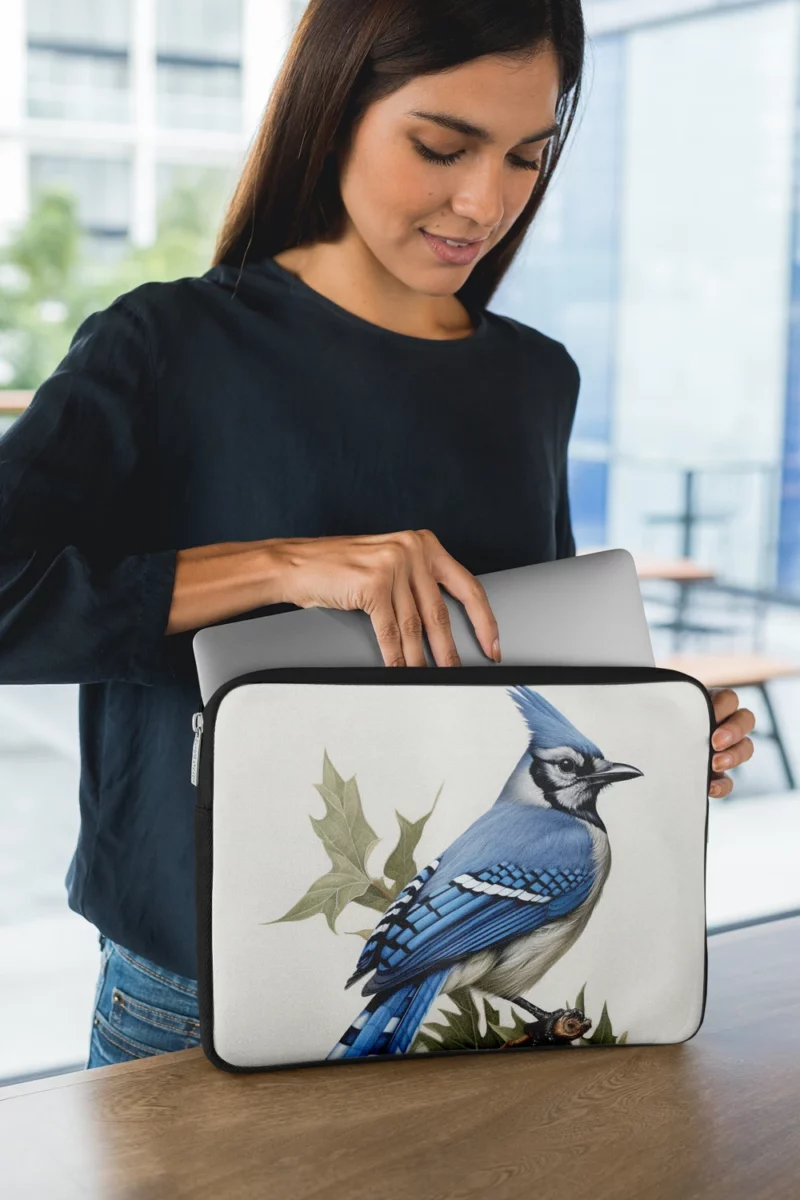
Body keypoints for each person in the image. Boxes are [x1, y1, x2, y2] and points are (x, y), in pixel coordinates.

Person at [0, 0, 755, 1070]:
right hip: (193, 995)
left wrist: (669, 730)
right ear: (332, 108)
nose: (482, 201)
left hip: (470, 1002)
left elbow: (521, 666)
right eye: (440, 147)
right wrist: (286, 566)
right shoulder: (163, 344)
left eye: (525, 158)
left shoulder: (535, 378)